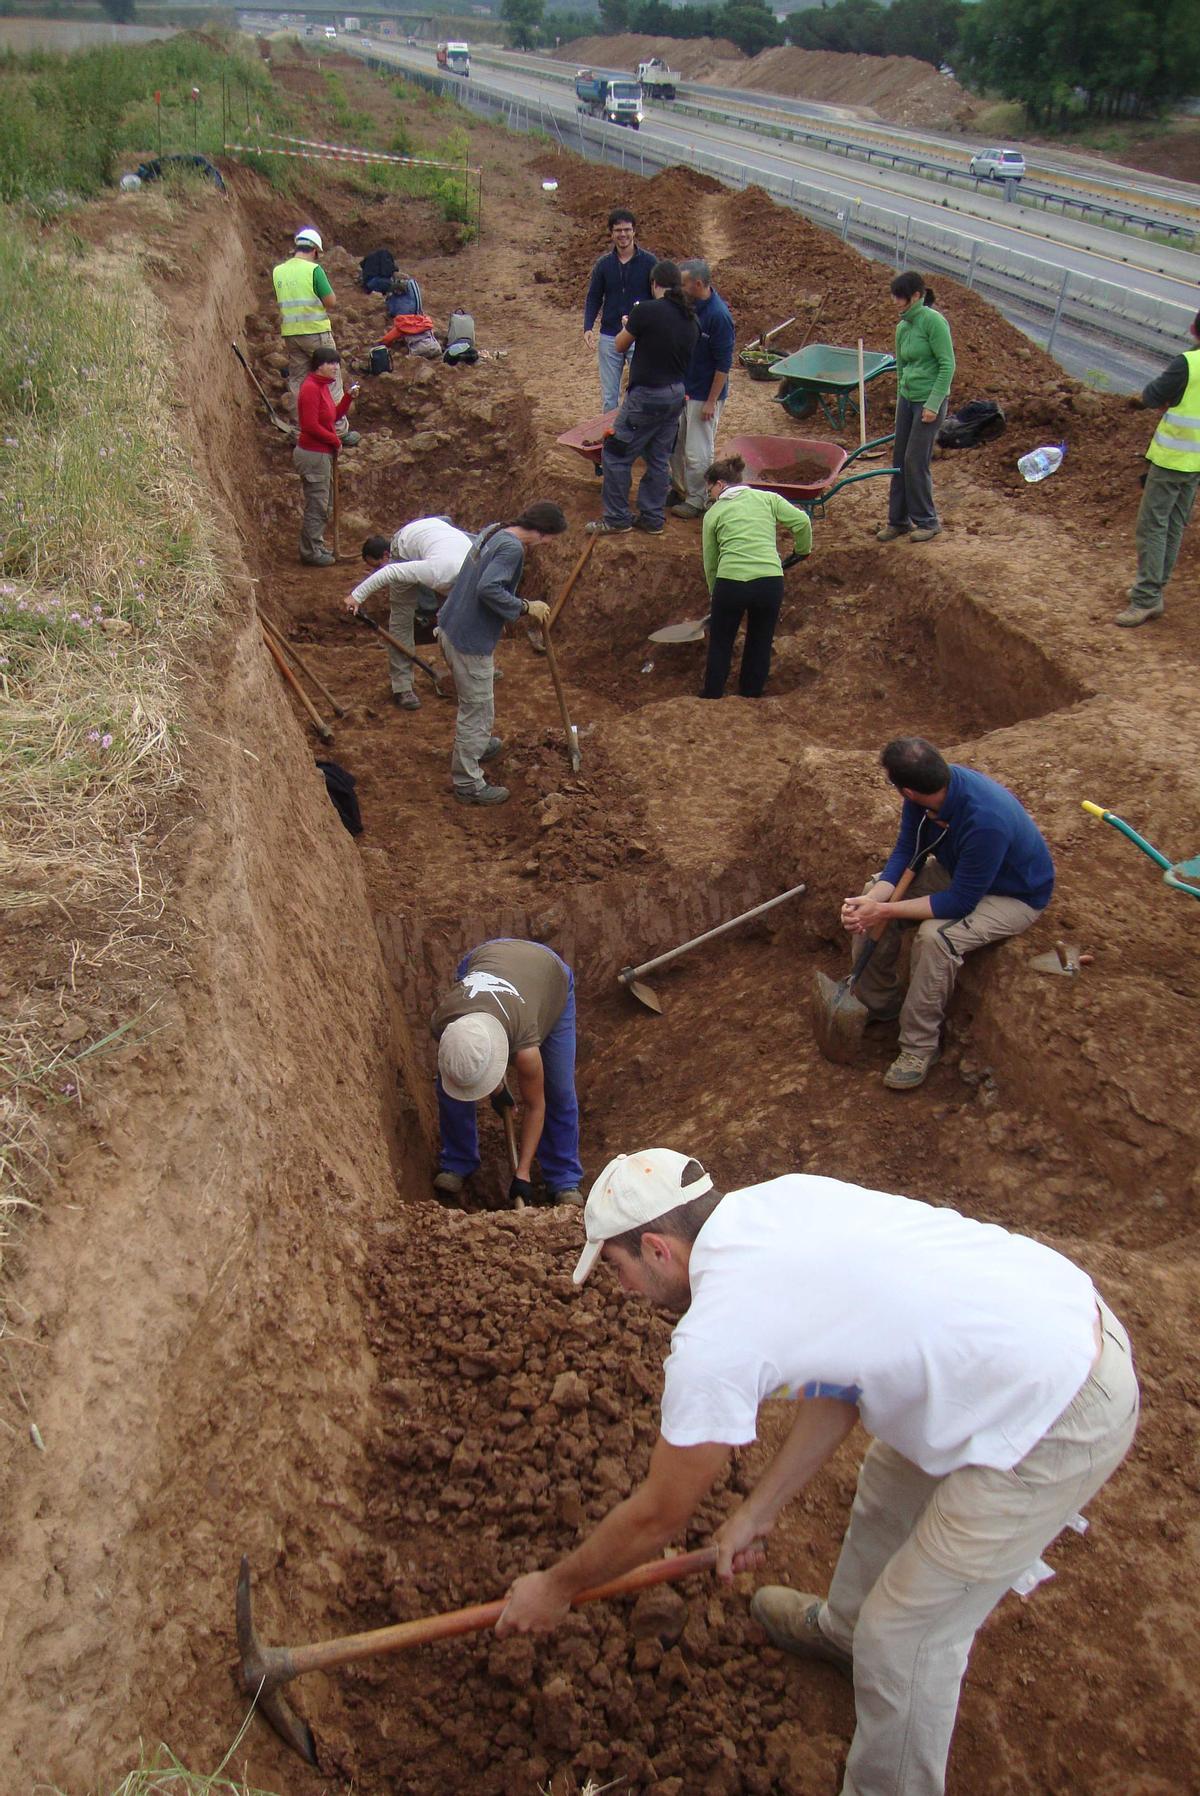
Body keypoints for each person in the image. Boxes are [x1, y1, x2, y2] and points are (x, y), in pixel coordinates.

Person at [495, 1150, 1139, 1796]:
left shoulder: (717, 1337)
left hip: (1058, 1406)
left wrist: (555, 1587)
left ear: (658, 1250)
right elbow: (842, 1381)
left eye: (617, 1268)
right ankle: (843, 1634)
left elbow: (660, 1514)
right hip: (1033, 1325)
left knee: (905, 1639)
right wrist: (757, 1511)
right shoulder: (780, 1204)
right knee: (885, 1489)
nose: (622, 1290)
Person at [841, 737, 1054, 1091]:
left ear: (907, 790)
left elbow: (959, 903)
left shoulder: (986, 819)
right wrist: (873, 901)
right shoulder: (925, 796)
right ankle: (878, 1003)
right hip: (962, 872)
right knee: (870, 892)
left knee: (936, 938)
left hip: (1013, 895)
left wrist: (886, 910)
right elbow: (907, 851)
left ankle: (919, 1048)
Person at [430, 937, 584, 1207]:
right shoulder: (443, 1022)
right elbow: (470, 1056)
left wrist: (522, 1173)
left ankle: (564, 1176)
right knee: (454, 1071)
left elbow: (536, 1106)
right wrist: (497, 1089)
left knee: (558, 1089)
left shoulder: (525, 1048)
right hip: (485, 957)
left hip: (547, 974)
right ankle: (457, 1159)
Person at [437, 503, 565, 805]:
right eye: (550, 537)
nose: (549, 543)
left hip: (450, 626)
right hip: (469, 641)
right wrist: (524, 606)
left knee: (476, 706)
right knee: (477, 711)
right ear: (542, 531)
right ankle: (468, 784)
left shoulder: (496, 530)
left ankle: (477, 746)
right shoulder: (512, 549)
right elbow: (488, 588)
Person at [587, 262, 698, 538]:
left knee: (615, 453)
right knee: (658, 458)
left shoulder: (646, 311)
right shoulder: (690, 318)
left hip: (647, 394)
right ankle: (652, 518)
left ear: (654, 284)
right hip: (675, 393)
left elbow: (620, 345)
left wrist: (629, 325)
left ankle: (616, 518)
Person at [699, 454, 812, 699]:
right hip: (769, 582)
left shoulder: (714, 514)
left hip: (731, 583)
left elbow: (711, 561)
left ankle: (712, 695)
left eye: (709, 489)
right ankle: (751, 694)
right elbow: (802, 522)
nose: (710, 495)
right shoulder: (768, 498)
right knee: (760, 639)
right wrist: (802, 551)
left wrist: (714, 593)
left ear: (720, 484)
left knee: (721, 641)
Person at [1115, 307, 1200, 626]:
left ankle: (1147, 597)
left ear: (1193, 329)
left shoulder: (1187, 364)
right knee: (1174, 524)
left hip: (1172, 459)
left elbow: (1152, 396)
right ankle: (1155, 587)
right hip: (1195, 462)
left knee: (1153, 525)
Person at [342, 517, 472, 708]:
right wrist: (356, 596)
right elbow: (389, 572)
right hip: (406, 549)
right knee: (402, 618)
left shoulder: (479, 570)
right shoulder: (437, 573)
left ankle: (472, 667)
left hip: (436, 536)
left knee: (464, 618)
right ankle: (402, 687)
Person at [877, 271, 954, 545]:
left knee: (915, 461)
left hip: (929, 400)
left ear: (917, 296)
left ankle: (928, 521)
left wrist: (933, 404)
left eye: (900, 297)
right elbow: (901, 366)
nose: (896, 302)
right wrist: (901, 396)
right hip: (907, 400)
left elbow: (947, 365)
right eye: (894, 296)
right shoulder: (903, 327)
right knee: (899, 459)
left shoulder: (933, 322)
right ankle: (898, 521)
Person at [271, 226, 359, 445]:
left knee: (299, 382)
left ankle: (301, 431)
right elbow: (330, 301)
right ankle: (338, 431)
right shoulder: (314, 270)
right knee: (331, 378)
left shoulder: (279, 271)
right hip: (316, 332)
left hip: (291, 334)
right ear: (315, 251)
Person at [669, 259, 736, 520]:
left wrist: (711, 401)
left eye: (683, 283)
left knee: (697, 451)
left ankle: (699, 499)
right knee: (676, 445)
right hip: (684, 388)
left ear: (698, 284)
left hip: (704, 394)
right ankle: (680, 489)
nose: (679, 288)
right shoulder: (689, 307)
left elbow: (723, 365)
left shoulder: (718, 317)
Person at [583, 208, 658, 414]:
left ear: (634, 231)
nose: (623, 234)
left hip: (639, 338)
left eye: (627, 229)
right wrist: (588, 326)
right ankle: (612, 432)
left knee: (640, 392)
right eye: (618, 230)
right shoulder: (603, 265)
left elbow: (659, 296)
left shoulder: (649, 263)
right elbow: (594, 296)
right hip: (610, 336)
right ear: (611, 233)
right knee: (609, 398)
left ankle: (636, 431)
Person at [293, 347, 358, 567]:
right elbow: (310, 426)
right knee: (318, 505)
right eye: (331, 363)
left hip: (321, 454)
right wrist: (335, 440)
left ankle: (316, 545)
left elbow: (332, 416)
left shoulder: (322, 387)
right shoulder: (311, 388)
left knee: (325, 503)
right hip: (313, 455)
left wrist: (348, 398)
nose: (336, 368)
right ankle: (310, 552)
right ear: (319, 366)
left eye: (337, 364)